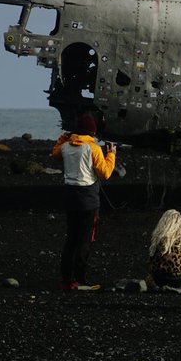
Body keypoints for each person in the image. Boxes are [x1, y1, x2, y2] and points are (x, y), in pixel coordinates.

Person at [50, 113, 117, 290]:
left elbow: (55, 153)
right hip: (88, 200)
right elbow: (105, 173)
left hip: (70, 197)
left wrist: (64, 136)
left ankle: (66, 279)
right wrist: (111, 154)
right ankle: (80, 278)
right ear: (92, 132)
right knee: (85, 240)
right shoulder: (92, 148)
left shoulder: (65, 147)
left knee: (71, 238)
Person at [146, 209, 181, 293]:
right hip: (178, 280)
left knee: (154, 253)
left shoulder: (158, 238)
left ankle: (151, 282)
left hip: (159, 279)